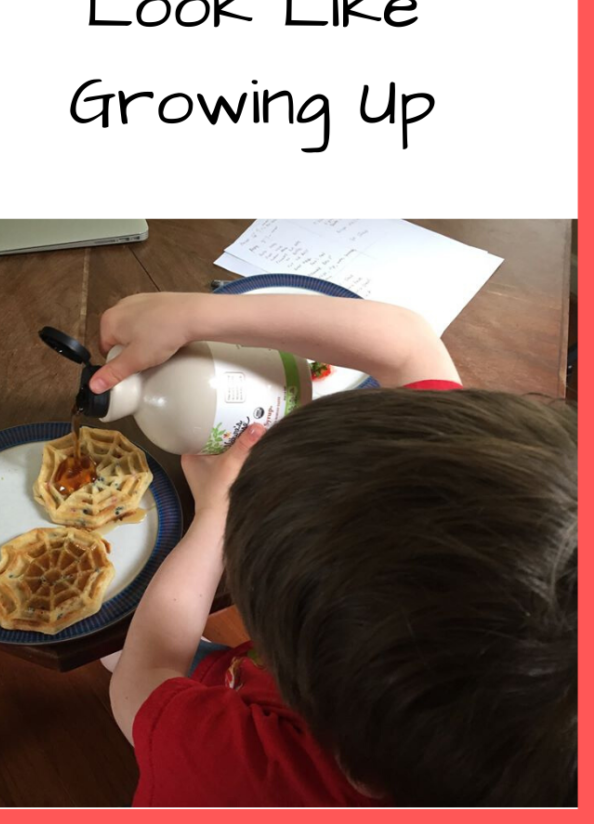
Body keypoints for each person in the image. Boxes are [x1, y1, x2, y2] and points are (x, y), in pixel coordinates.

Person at [91, 293, 577, 808]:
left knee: (118, 648)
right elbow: (409, 345)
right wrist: (193, 315)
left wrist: (215, 515)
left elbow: (139, 686)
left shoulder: (248, 781)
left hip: (231, 733)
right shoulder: (473, 488)